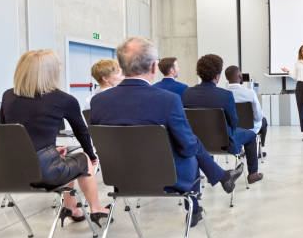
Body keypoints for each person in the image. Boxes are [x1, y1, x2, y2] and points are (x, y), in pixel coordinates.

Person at [91, 38, 243, 227]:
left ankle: (221, 177)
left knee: (190, 143)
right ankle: (197, 205)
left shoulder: (97, 103)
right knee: (191, 148)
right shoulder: (168, 100)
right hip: (169, 178)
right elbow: (187, 147)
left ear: (121, 66)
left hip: (121, 180)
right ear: (154, 68)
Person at [0, 50, 109, 227]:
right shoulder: (63, 99)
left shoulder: (8, 96)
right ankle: (96, 208)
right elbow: (82, 133)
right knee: (83, 159)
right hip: (44, 173)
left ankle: (71, 208)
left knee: (65, 160)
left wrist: (48, 151)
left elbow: (7, 134)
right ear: (51, 72)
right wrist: (92, 155)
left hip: (11, 172)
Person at [182, 54, 263, 185]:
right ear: (217, 76)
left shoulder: (186, 94)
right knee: (251, 135)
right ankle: (252, 174)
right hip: (224, 143)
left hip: (196, 143)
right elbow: (234, 122)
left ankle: (211, 171)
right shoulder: (224, 96)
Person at [225, 65, 268, 150]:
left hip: (231, 129)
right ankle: (260, 147)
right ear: (240, 76)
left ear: (227, 78)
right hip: (250, 128)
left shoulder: (223, 94)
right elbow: (258, 116)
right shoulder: (250, 93)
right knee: (264, 120)